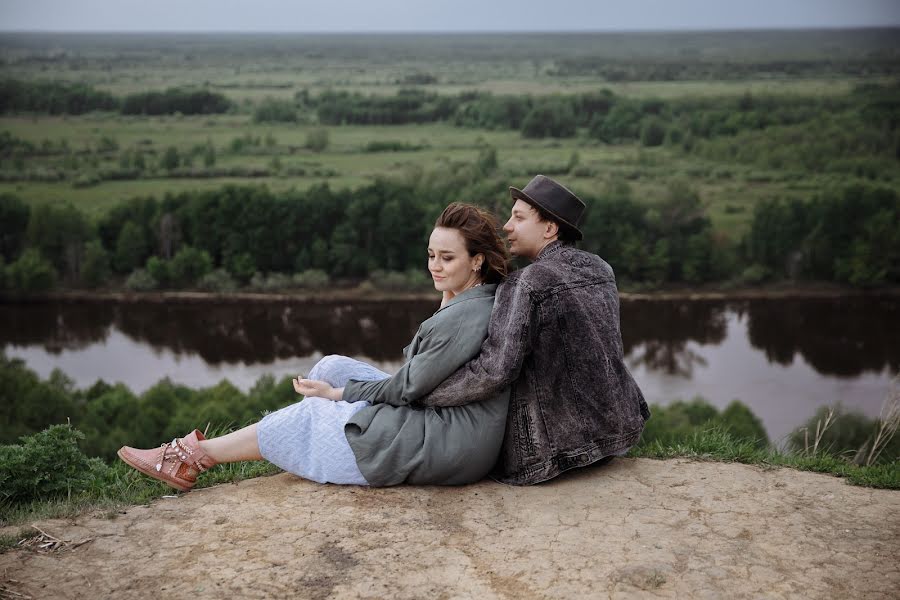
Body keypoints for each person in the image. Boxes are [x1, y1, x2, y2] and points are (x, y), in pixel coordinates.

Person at [118, 202, 511, 490]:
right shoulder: (467, 298)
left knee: (316, 407)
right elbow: (417, 371)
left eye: (447, 258)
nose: (434, 266)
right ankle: (311, 441)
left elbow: (408, 386)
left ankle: (190, 458)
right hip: (446, 419)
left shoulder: (467, 315)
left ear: (477, 261)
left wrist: (339, 395)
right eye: (430, 255)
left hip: (451, 443)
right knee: (331, 366)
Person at [414, 175, 651, 485]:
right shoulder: (600, 268)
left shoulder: (525, 283)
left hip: (551, 454)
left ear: (549, 228)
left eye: (519, 217)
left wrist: (421, 395)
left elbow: (492, 373)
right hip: (618, 433)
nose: (507, 226)